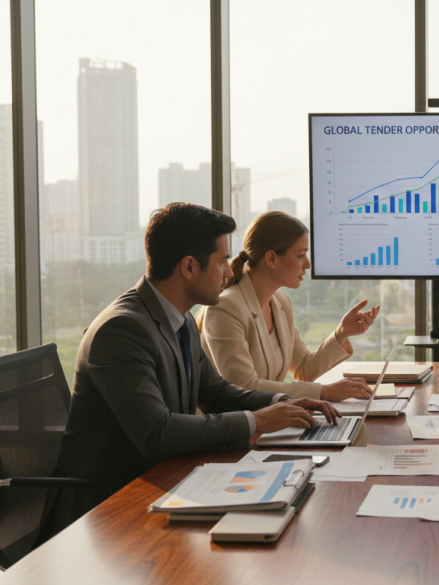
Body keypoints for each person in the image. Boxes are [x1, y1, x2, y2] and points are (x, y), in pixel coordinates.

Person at [38, 203, 340, 543]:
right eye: (223, 261)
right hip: (109, 508)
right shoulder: (122, 330)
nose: (229, 273)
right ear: (189, 267)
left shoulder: (179, 319)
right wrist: (258, 421)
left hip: (166, 480)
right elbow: (157, 431)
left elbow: (217, 393)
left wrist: (284, 403)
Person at [200, 211, 379, 401]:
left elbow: (303, 369)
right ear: (271, 259)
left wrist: (342, 332)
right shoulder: (226, 308)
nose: (308, 264)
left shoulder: (280, 302)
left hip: (267, 420)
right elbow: (243, 387)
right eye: (301, 255)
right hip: (235, 426)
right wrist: (323, 392)